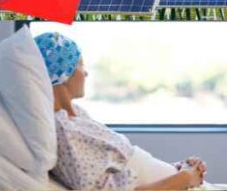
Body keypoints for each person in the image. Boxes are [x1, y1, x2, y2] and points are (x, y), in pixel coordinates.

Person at [34, 32, 212, 191]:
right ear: (63, 73)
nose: (86, 73)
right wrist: (185, 178)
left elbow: (122, 169)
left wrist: (180, 168)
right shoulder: (64, 130)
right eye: (81, 65)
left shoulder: (77, 116)